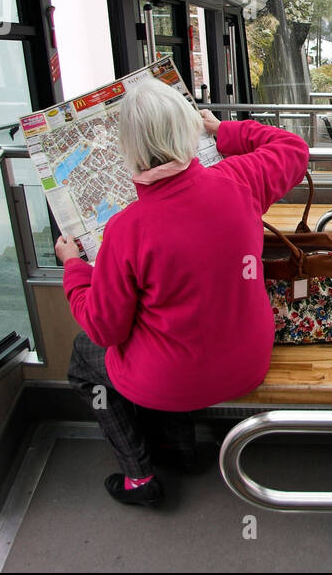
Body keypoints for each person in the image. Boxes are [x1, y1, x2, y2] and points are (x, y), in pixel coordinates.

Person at [59, 79, 308, 505]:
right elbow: (293, 149)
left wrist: (74, 269)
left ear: (129, 151)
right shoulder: (239, 180)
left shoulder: (126, 229)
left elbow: (105, 328)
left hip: (170, 379)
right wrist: (223, 131)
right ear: (187, 130)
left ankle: (139, 478)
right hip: (248, 362)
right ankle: (180, 448)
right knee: (174, 329)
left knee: (87, 358)